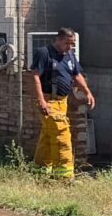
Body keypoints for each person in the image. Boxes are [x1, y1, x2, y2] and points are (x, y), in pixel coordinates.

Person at [29, 28, 95, 178]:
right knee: (61, 135)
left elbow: (76, 75)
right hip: (49, 101)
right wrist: (41, 100)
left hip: (62, 103)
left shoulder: (70, 55)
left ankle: (40, 172)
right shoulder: (44, 53)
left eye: (72, 44)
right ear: (58, 39)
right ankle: (64, 176)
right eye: (67, 43)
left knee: (48, 136)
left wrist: (87, 92)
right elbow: (35, 76)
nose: (69, 47)